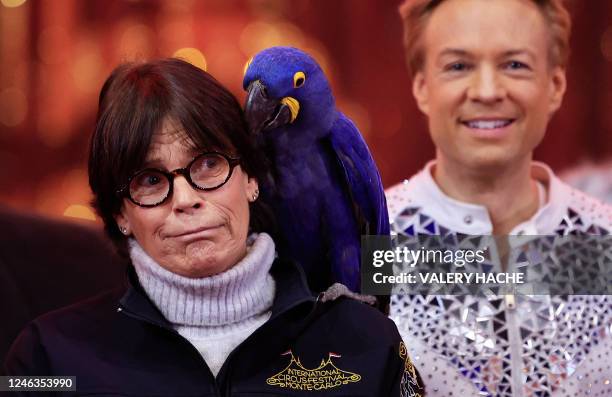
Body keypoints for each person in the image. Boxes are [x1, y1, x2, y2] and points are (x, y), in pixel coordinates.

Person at [4, 58, 423, 396]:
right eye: (150, 181)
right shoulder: (47, 358)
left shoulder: (368, 343)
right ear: (120, 214)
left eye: (208, 165)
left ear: (253, 179)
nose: (185, 199)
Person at [386, 0, 612, 396]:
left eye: (515, 65)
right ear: (422, 87)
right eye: (458, 66)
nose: (488, 91)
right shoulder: (373, 239)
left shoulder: (603, 237)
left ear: (556, 86)